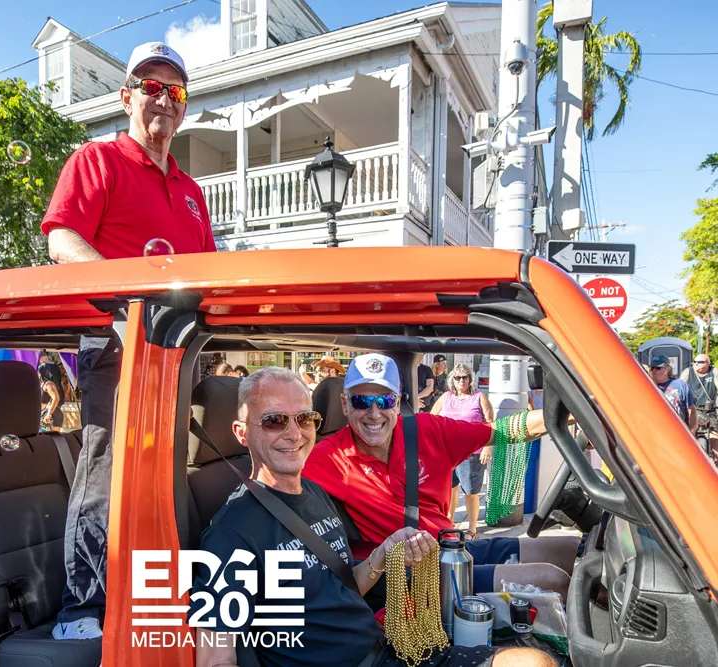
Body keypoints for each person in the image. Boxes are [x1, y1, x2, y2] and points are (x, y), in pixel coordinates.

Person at [194, 367, 555, 667]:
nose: (293, 433)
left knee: (533, 657)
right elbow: (216, 658)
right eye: (274, 421)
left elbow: (346, 587)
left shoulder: (314, 494)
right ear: (242, 433)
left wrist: (382, 555)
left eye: (304, 418)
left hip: (388, 646)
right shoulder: (231, 535)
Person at [41, 41, 216, 640]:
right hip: (117, 346)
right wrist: (125, 301)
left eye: (175, 90)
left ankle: (150, 590)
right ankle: (82, 608)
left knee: (164, 475)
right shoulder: (96, 160)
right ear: (126, 97)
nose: (163, 99)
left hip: (178, 353)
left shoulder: (191, 191)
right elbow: (62, 241)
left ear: (184, 106)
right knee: (106, 474)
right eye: (151, 87)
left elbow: (206, 273)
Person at [303, 354, 577, 600]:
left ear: (397, 403)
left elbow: (503, 430)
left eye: (384, 400)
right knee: (552, 579)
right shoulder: (327, 457)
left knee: (570, 548)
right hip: (415, 574)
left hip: (452, 547)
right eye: (361, 401)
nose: (374, 414)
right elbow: (280, 483)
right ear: (345, 405)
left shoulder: (427, 430)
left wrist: (581, 413)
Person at [430, 364, 494, 540]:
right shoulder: (446, 397)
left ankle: (472, 530)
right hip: (447, 454)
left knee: (470, 492)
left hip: (471, 453)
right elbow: (431, 419)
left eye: (465, 377)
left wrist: (487, 447)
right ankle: (448, 524)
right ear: (452, 379)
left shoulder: (479, 397)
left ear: (470, 379)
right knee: (449, 490)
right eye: (458, 378)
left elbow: (490, 424)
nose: (461, 381)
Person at [649, 354, 697, 431]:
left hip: (678, 431)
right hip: (654, 431)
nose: (654, 370)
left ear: (667, 368)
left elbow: (692, 410)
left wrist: (692, 430)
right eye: (652, 368)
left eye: (658, 368)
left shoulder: (681, 385)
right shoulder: (646, 385)